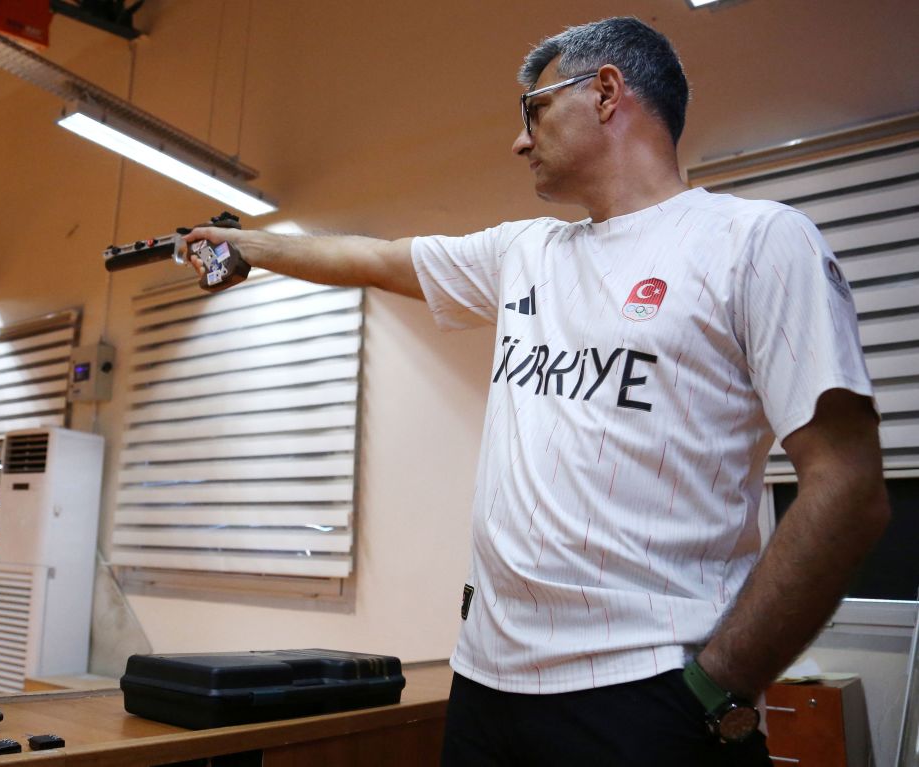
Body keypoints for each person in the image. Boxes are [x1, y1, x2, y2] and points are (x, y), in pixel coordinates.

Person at [183, 17, 889, 766]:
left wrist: (719, 685)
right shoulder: (525, 251)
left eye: (534, 109)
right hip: (487, 685)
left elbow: (846, 486)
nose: (519, 141)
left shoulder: (756, 240)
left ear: (607, 93)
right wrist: (251, 246)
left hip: (648, 689)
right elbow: (374, 256)